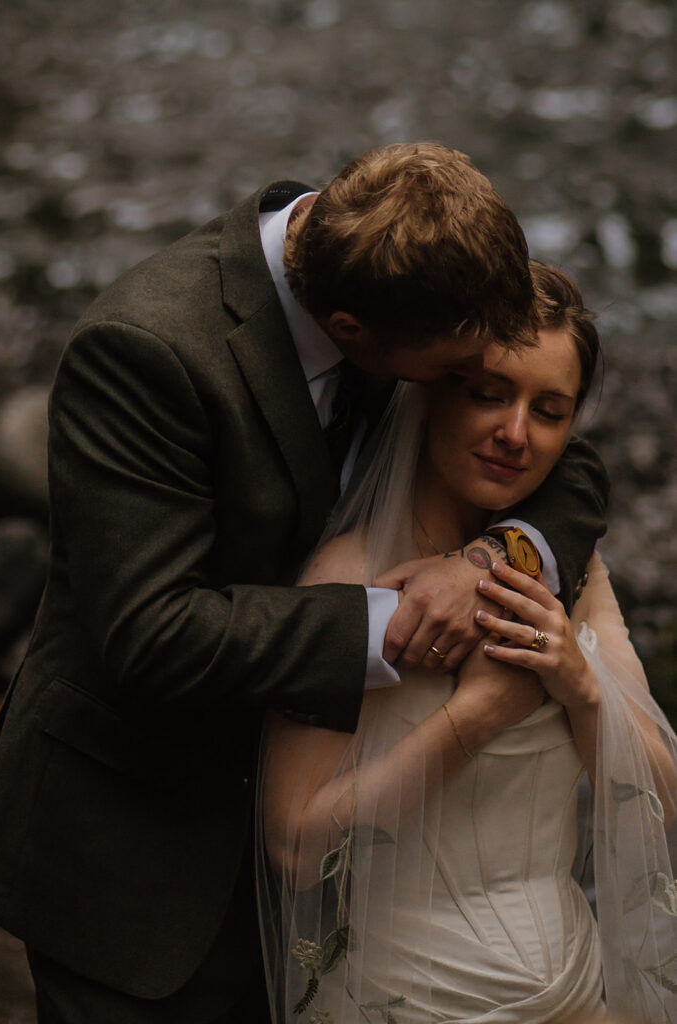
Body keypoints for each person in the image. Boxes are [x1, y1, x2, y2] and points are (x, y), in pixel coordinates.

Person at [0, 145, 608, 1024]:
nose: (487, 405)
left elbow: (567, 460)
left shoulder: (414, 248)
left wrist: (486, 562)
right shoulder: (144, 350)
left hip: (341, 868)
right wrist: (401, 619)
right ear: (353, 332)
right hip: (138, 840)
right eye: (454, 377)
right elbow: (150, 631)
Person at [258, 264, 677, 1024]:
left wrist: (578, 684)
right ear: (427, 392)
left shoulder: (572, 576)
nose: (514, 434)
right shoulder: (348, 576)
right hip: (406, 1000)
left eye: (548, 411)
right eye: (488, 396)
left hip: (572, 993)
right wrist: (478, 715)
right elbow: (294, 849)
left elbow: (660, 803)